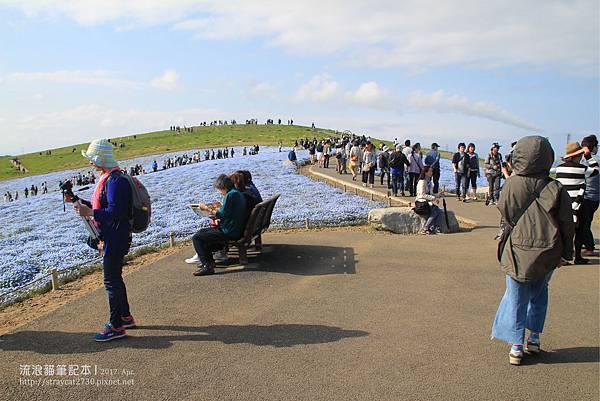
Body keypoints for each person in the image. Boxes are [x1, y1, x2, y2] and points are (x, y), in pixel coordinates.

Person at [492, 136, 574, 365]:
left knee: (516, 297)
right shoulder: (556, 187)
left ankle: (516, 345)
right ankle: (534, 338)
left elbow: (505, 213)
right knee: (539, 294)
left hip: (517, 248)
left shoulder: (511, 184)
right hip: (548, 251)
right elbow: (567, 223)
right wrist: (567, 254)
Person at [72, 139, 135, 342]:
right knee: (115, 278)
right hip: (115, 235)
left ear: (101, 159)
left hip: (115, 237)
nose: (90, 163)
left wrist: (90, 212)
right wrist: (81, 203)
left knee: (111, 281)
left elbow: (115, 212)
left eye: (92, 159)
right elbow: (107, 205)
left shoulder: (116, 181)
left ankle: (116, 326)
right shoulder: (111, 178)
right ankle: (125, 317)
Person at [191, 175, 248, 276]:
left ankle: (207, 266)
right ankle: (209, 262)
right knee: (202, 233)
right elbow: (226, 213)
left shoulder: (230, 195)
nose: (220, 192)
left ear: (223, 187)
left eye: (219, 190)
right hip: (235, 228)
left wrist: (206, 208)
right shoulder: (236, 193)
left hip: (230, 231)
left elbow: (221, 214)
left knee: (197, 237)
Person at [554, 142, 599, 264]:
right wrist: (588, 156)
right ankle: (578, 257)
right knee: (579, 231)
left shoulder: (559, 168)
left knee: (564, 230)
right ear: (578, 155)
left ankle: (563, 257)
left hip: (563, 204)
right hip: (578, 203)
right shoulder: (581, 168)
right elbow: (596, 170)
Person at [580, 135, 599, 257]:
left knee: (584, 223)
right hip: (595, 197)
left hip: (586, 196)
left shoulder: (585, 161)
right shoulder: (596, 159)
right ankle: (584, 243)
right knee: (586, 222)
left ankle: (589, 247)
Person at [415, 166, 443, 234]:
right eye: (430, 171)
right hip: (421, 202)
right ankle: (426, 227)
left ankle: (433, 226)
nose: (432, 172)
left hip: (427, 201)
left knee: (438, 210)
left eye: (432, 171)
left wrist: (438, 195)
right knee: (434, 212)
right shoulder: (422, 182)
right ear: (426, 172)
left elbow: (430, 193)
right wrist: (434, 198)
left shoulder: (429, 182)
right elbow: (422, 195)